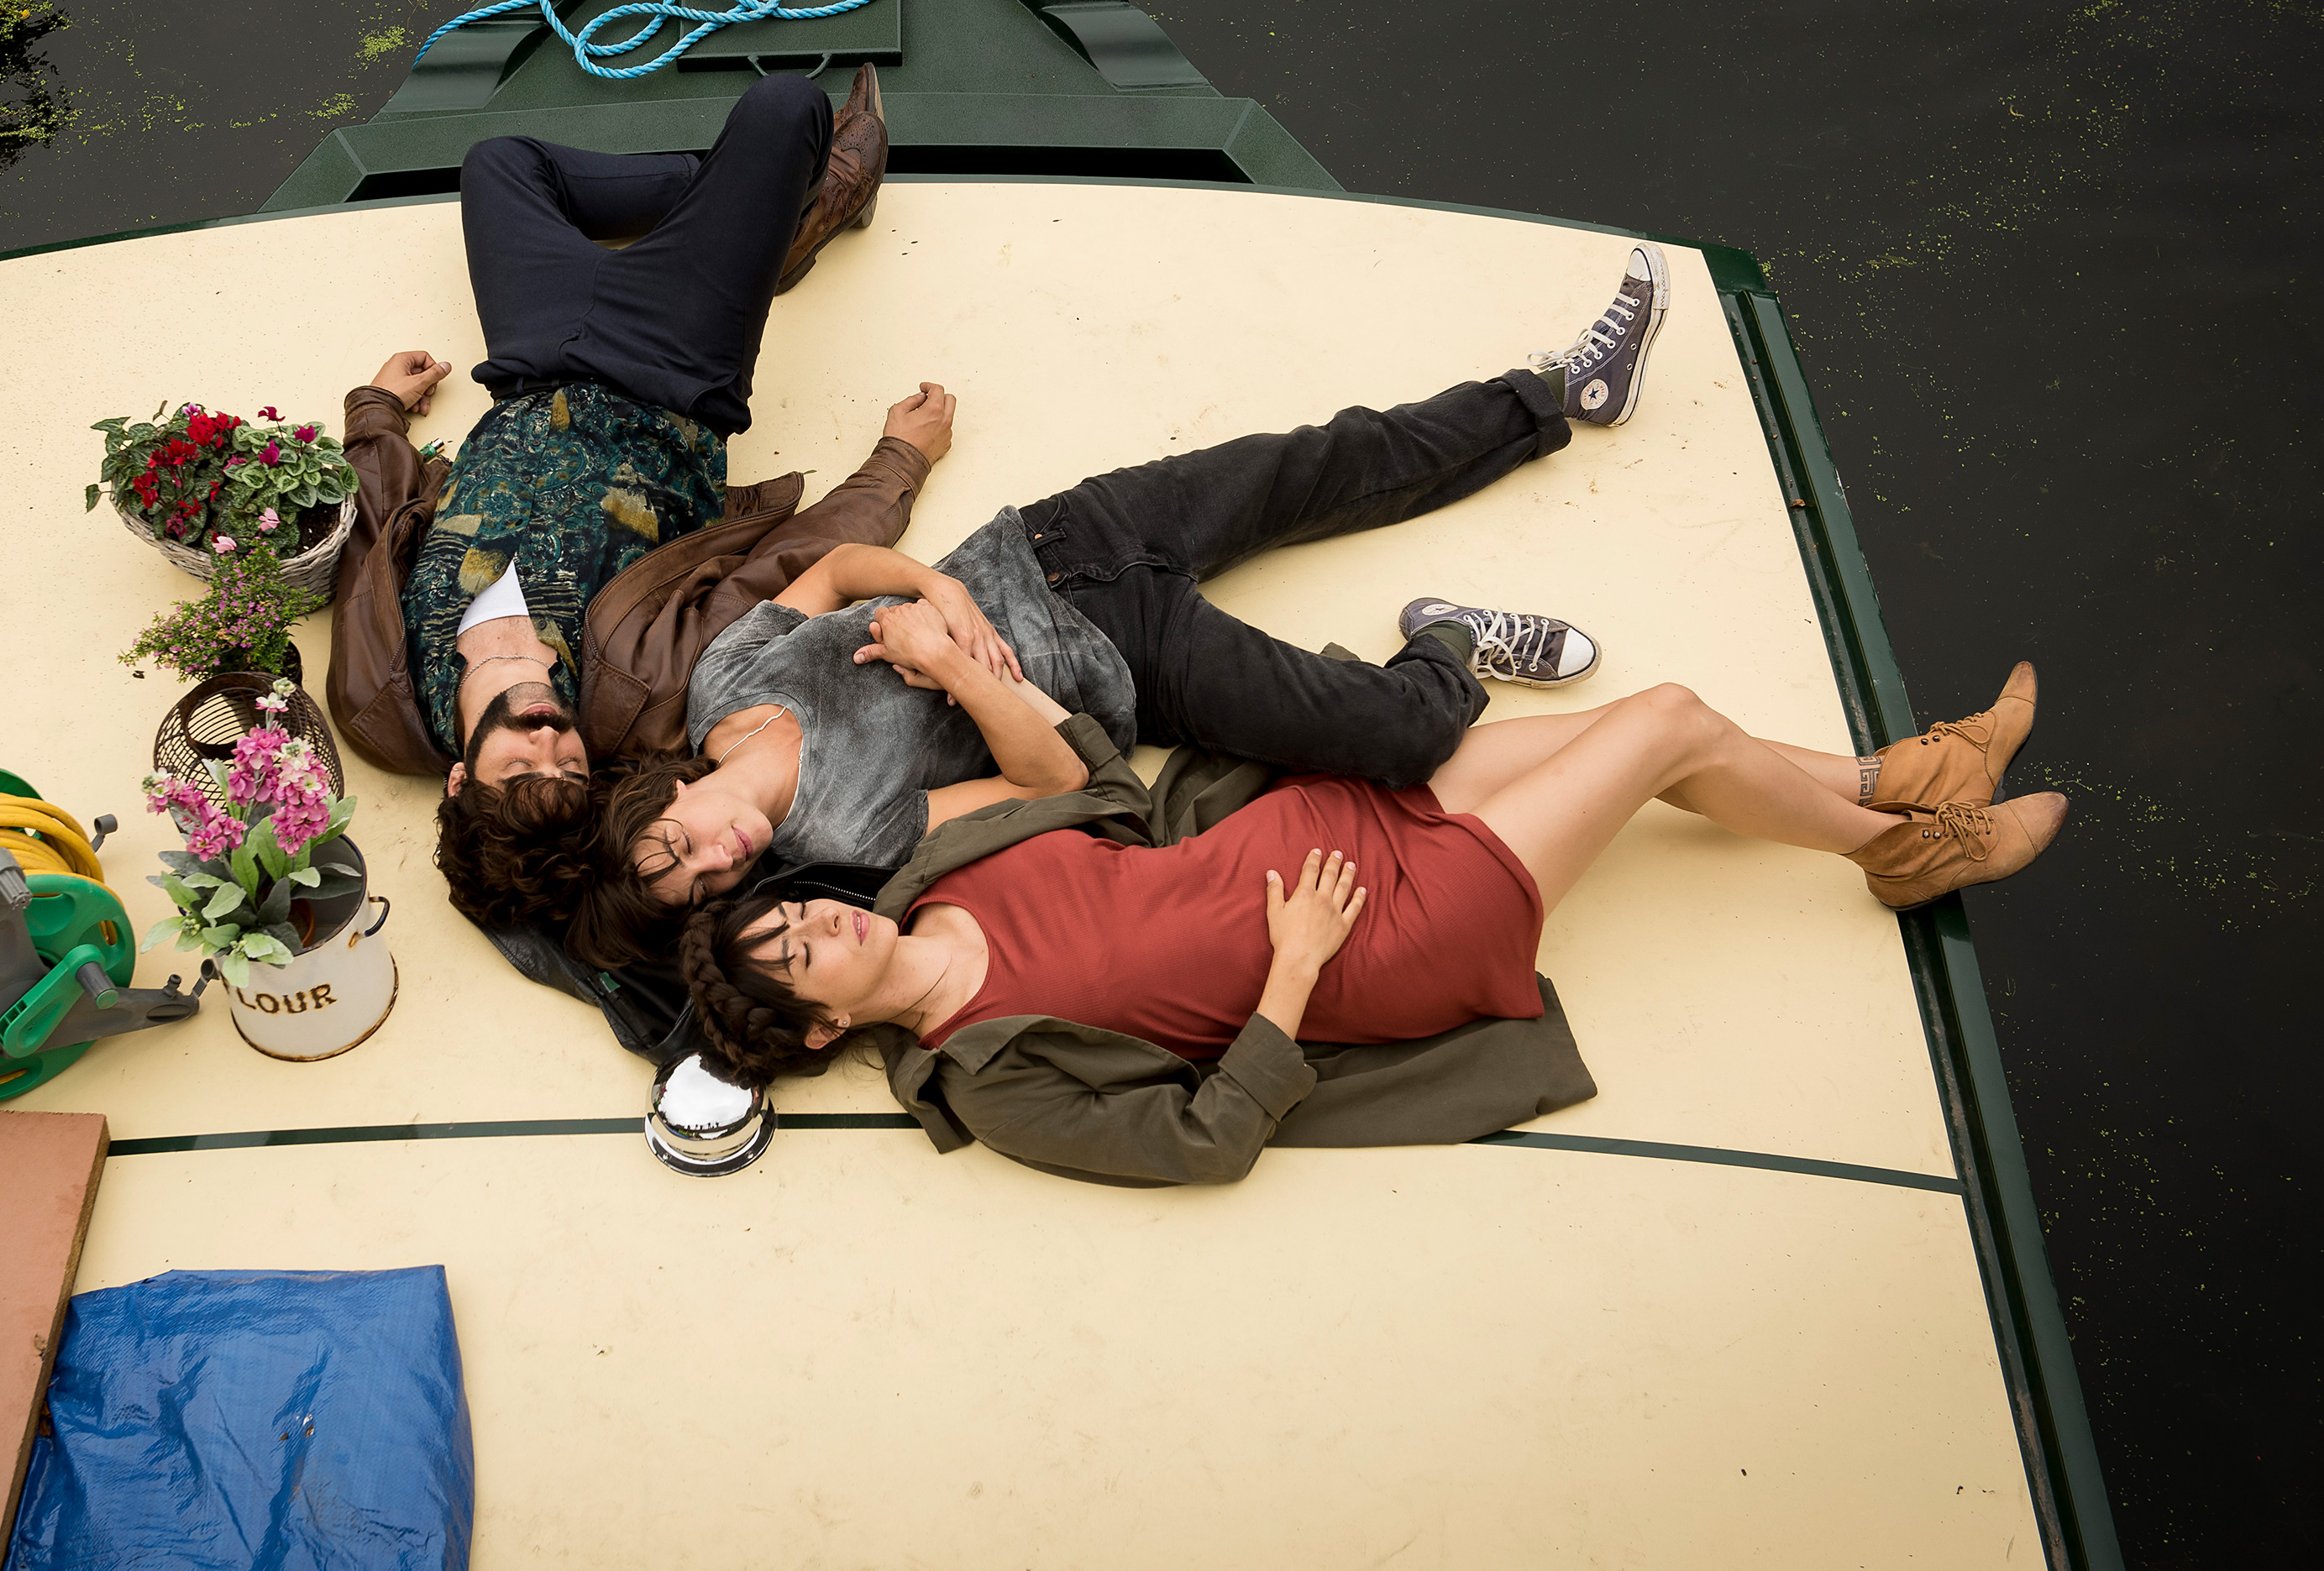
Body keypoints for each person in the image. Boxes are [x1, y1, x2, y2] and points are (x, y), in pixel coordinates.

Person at [553, 249, 1680, 967]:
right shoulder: (847, 840)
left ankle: (1558, 393)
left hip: (1063, 537)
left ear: (662, 800)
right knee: (1402, 734)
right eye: (706, 883)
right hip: (1130, 663)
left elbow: (843, 572)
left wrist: (935, 588)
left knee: (1331, 458)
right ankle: (1453, 640)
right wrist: (956, 673)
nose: (718, 854)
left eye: (677, 846)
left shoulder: (726, 686)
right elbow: (1053, 782)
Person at [676, 663, 2061, 1187]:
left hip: (1337, 819)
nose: (814, 925)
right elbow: (1200, 1141)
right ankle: (1909, 851)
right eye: (795, 956)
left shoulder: (932, 878)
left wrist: (994, 683)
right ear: (821, 1025)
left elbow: (1104, 804)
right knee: (1664, 724)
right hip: (1379, 941)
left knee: (1664, 733)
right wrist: (1288, 972)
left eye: (791, 913)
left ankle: (1916, 774)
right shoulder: (989, 1078)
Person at [325, 64, 933, 791]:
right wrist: (899, 462)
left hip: (529, 362)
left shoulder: (379, 693)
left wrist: (376, 407)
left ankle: (768, 221)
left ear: (460, 780)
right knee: (786, 106)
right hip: (673, 367)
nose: (547, 739)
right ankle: (782, 211)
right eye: (570, 768)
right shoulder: (641, 700)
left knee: (499, 162)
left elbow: (369, 535)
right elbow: (784, 569)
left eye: (520, 767)